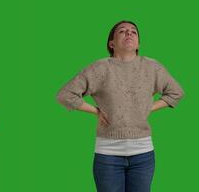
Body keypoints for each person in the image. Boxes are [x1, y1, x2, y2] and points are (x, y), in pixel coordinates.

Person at [56, 20, 184, 192]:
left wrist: (148, 108)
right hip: (108, 155)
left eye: (133, 32)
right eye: (122, 31)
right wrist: (96, 111)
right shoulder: (100, 68)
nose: (129, 34)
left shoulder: (152, 67)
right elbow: (65, 95)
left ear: (138, 43)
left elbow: (176, 92)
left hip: (143, 154)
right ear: (111, 43)